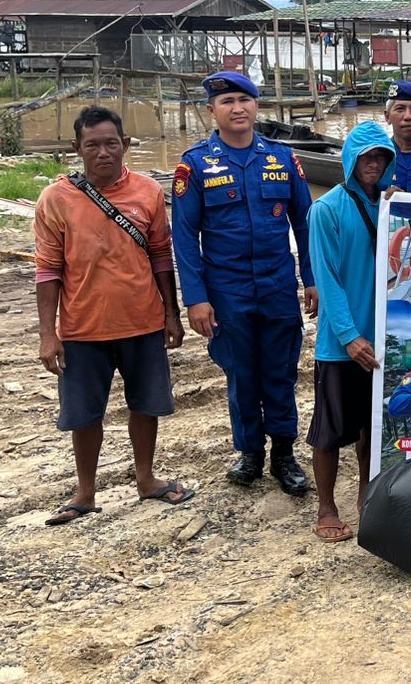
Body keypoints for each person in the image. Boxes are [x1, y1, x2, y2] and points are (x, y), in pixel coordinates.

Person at [35, 107, 192, 524]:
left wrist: (171, 315)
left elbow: (161, 256)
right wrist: (48, 335)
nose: (103, 153)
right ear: (77, 149)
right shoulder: (55, 199)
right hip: (82, 328)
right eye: (92, 145)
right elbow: (48, 269)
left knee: (146, 405)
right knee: (84, 413)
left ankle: (146, 479)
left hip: (143, 322)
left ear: (125, 145)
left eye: (111, 143)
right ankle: (85, 492)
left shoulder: (148, 192)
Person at [172, 70, 316, 495]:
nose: (237, 108)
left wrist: (311, 279)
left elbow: (306, 225)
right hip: (227, 290)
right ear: (212, 110)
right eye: (227, 102)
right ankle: (250, 452)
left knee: (280, 372)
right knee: (241, 374)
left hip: (277, 286)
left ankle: (284, 454)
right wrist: (195, 299)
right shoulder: (195, 164)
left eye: (244, 100)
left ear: (257, 106)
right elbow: (184, 236)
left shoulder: (282, 158)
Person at [306, 121, 395, 543]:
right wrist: (348, 335)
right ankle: (326, 505)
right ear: (350, 160)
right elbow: (327, 279)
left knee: (369, 429)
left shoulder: (394, 207)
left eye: (381, 156)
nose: (374, 164)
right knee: (328, 431)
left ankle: (366, 495)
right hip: (341, 344)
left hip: (382, 338)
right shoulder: (326, 209)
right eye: (366, 156)